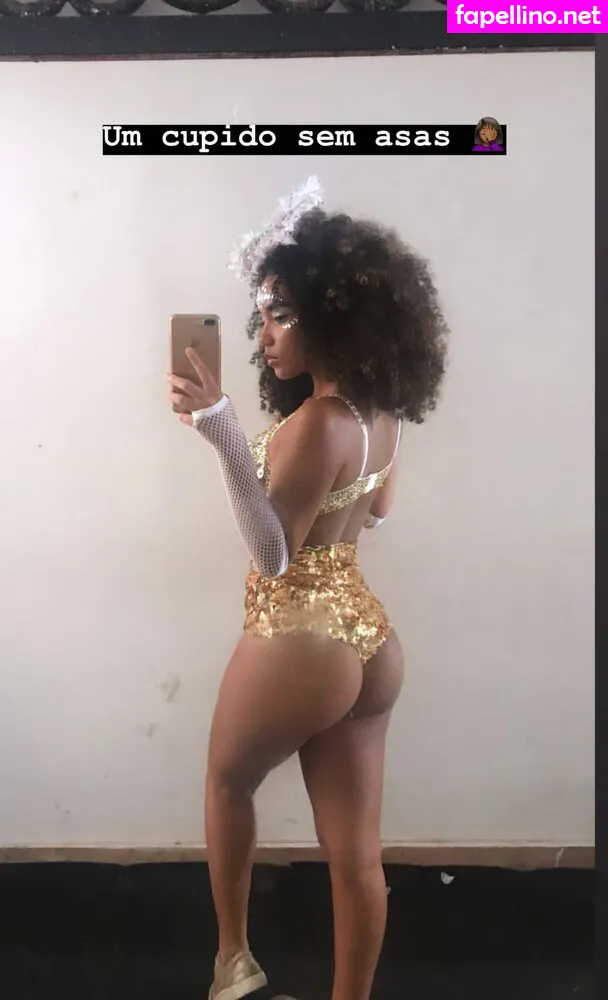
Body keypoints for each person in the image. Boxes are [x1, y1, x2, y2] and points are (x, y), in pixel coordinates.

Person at [167, 184, 448, 1000]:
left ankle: (233, 965)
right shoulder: (380, 413)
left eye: (280, 315)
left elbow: (272, 554)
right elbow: (378, 510)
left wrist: (223, 431)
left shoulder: (320, 422)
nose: (264, 335)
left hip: (302, 637)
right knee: (357, 856)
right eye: (261, 316)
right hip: (369, 640)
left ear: (332, 317)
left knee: (227, 783)